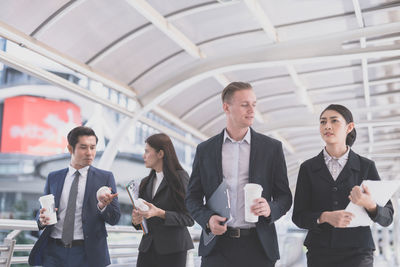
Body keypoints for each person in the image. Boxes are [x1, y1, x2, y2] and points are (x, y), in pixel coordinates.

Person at [185, 82, 292, 267]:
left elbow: (284, 197)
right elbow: (192, 198)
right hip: (217, 248)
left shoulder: (271, 148)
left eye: (254, 104)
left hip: (258, 248)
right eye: (245, 104)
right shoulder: (206, 150)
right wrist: (208, 219)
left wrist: (270, 209)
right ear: (226, 107)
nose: (252, 110)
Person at [292, 104, 394, 267]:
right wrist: (325, 216)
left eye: (334, 121)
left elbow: (387, 216)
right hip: (320, 253)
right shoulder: (308, 168)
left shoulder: (366, 166)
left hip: (358, 253)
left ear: (349, 127)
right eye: (323, 122)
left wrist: (369, 204)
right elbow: (298, 216)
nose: (327, 126)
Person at [29, 126, 121, 267]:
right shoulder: (54, 177)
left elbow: (115, 219)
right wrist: (41, 220)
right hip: (53, 251)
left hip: (86, 253)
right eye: (83, 147)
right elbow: (42, 213)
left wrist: (103, 206)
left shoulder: (105, 178)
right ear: (70, 148)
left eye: (93, 147)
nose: (89, 153)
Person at [131, 133, 194, 267]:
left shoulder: (180, 178)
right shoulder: (145, 182)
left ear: (160, 153)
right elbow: (143, 222)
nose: (144, 156)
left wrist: (160, 213)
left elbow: (189, 218)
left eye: (147, 151)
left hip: (173, 250)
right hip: (147, 248)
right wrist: (136, 221)